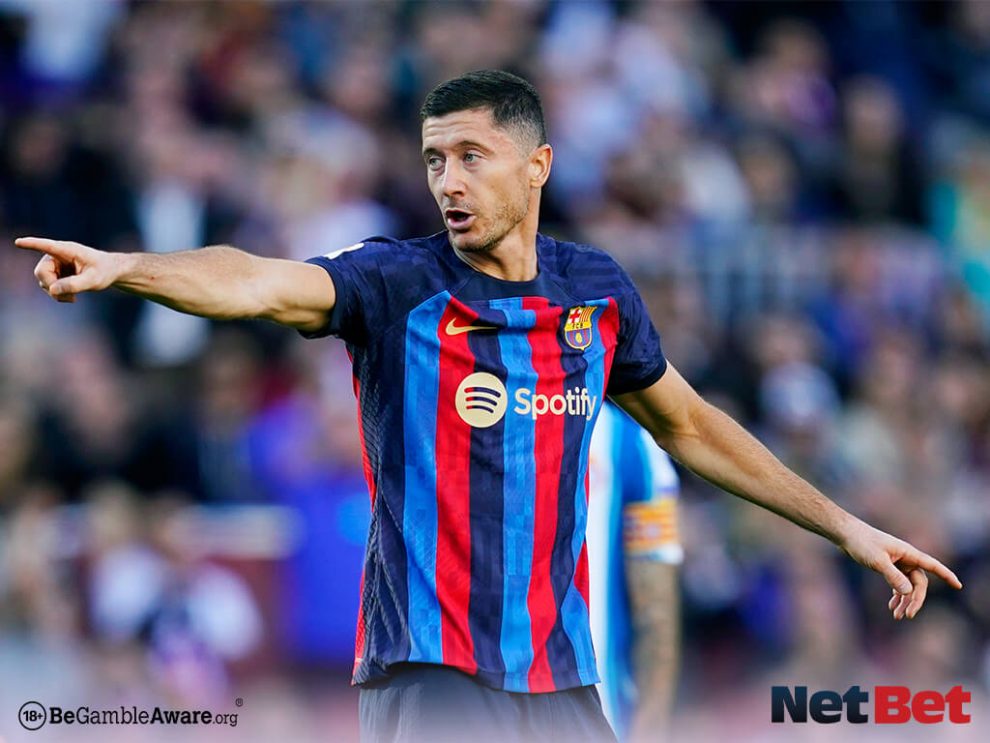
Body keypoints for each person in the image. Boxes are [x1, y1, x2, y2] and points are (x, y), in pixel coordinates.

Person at [16, 70, 961, 742]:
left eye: (473, 156)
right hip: (430, 669)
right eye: (435, 160)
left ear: (538, 164)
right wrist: (130, 268)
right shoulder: (396, 285)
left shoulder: (595, 294)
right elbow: (256, 281)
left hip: (560, 677)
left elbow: (690, 424)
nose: (449, 182)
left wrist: (848, 527)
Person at [587, 401, 681, 741]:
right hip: (600, 712)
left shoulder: (630, 442)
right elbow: (656, 611)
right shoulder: (632, 442)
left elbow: (656, 610)